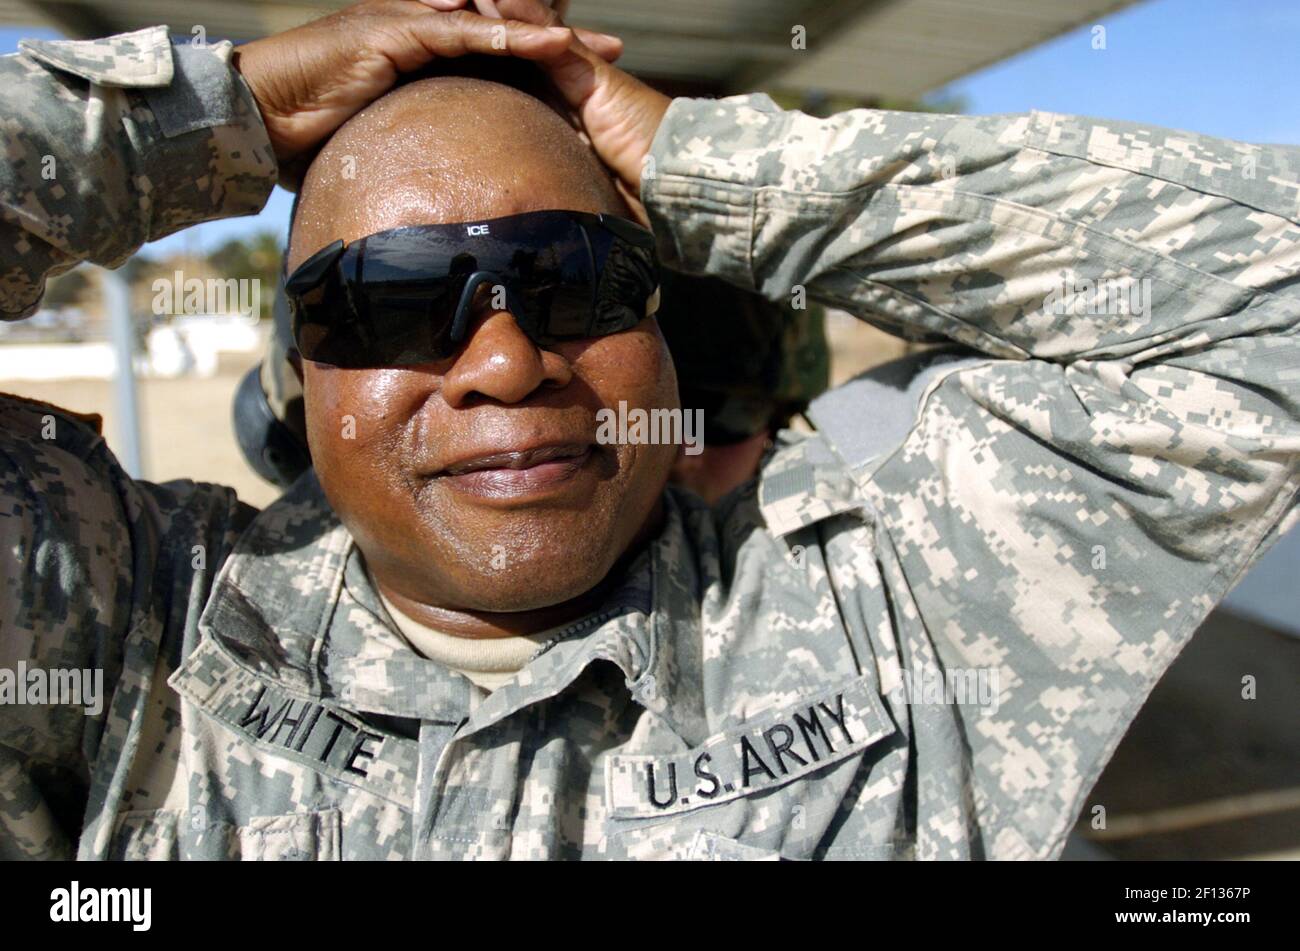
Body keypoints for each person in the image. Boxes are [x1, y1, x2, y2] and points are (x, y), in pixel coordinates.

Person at [1, 0, 1295, 861]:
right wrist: (199, 118)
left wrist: (706, 169)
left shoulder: (886, 608)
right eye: (396, 300)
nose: (506, 361)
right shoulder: (132, 629)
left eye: (577, 281)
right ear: (298, 371)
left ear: (661, 317)